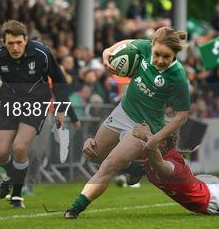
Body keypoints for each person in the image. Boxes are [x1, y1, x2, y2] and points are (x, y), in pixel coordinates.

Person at [64, 27, 190, 219]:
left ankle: (75, 208)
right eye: (157, 54)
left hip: (143, 127)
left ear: (175, 55)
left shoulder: (178, 76)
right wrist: (107, 56)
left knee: (109, 165)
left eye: (166, 56)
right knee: (94, 155)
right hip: (122, 111)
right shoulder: (145, 47)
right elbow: (117, 47)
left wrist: (155, 138)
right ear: (152, 46)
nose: (160, 60)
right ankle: (135, 168)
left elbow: (182, 116)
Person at [0, 20, 78, 209]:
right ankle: (11, 174)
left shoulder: (41, 53)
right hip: (9, 103)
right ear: (3, 42)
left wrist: (61, 109)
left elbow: (60, 80)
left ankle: (16, 196)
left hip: (36, 102)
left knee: (20, 148)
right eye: (10, 43)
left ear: (26, 39)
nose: (15, 48)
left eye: (19, 43)